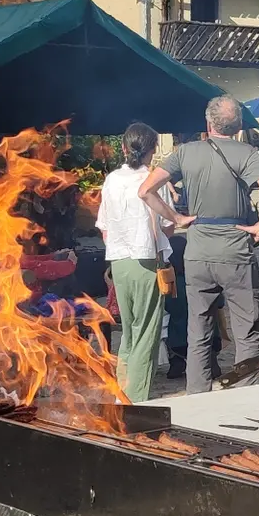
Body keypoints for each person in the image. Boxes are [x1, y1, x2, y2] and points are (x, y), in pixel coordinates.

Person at [139, 97, 259, 392]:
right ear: (239, 125)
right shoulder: (247, 153)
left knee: (198, 328)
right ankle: (247, 391)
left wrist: (176, 217)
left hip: (198, 251)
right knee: (246, 329)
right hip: (236, 252)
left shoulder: (185, 153)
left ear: (208, 123)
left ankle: (197, 395)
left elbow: (146, 190)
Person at [98, 122, 171, 402]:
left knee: (128, 333)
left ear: (124, 147)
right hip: (145, 260)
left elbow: (103, 225)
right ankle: (135, 399)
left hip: (118, 260)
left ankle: (121, 393)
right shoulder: (154, 180)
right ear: (152, 149)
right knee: (147, 333)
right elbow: (166, 225)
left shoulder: (112, 179)